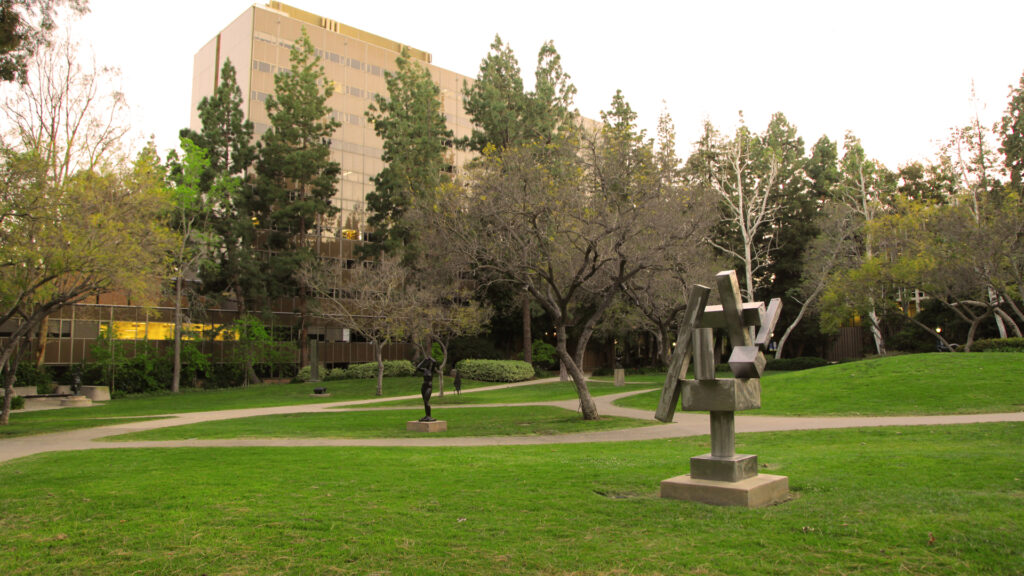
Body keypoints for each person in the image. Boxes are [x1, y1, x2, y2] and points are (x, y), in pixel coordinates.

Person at [415, 357, 437, 422]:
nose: (429, 365)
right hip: (423, 386)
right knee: (425, 402)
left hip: (429, 387)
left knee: (426, 401)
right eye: (428, 363)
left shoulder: (431, 370)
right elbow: (418, 367)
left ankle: (429, 416)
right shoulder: (424, 370)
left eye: (429, 364)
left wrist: (430, 358)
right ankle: (426, 416)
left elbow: (435, 362)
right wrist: (424, 360)